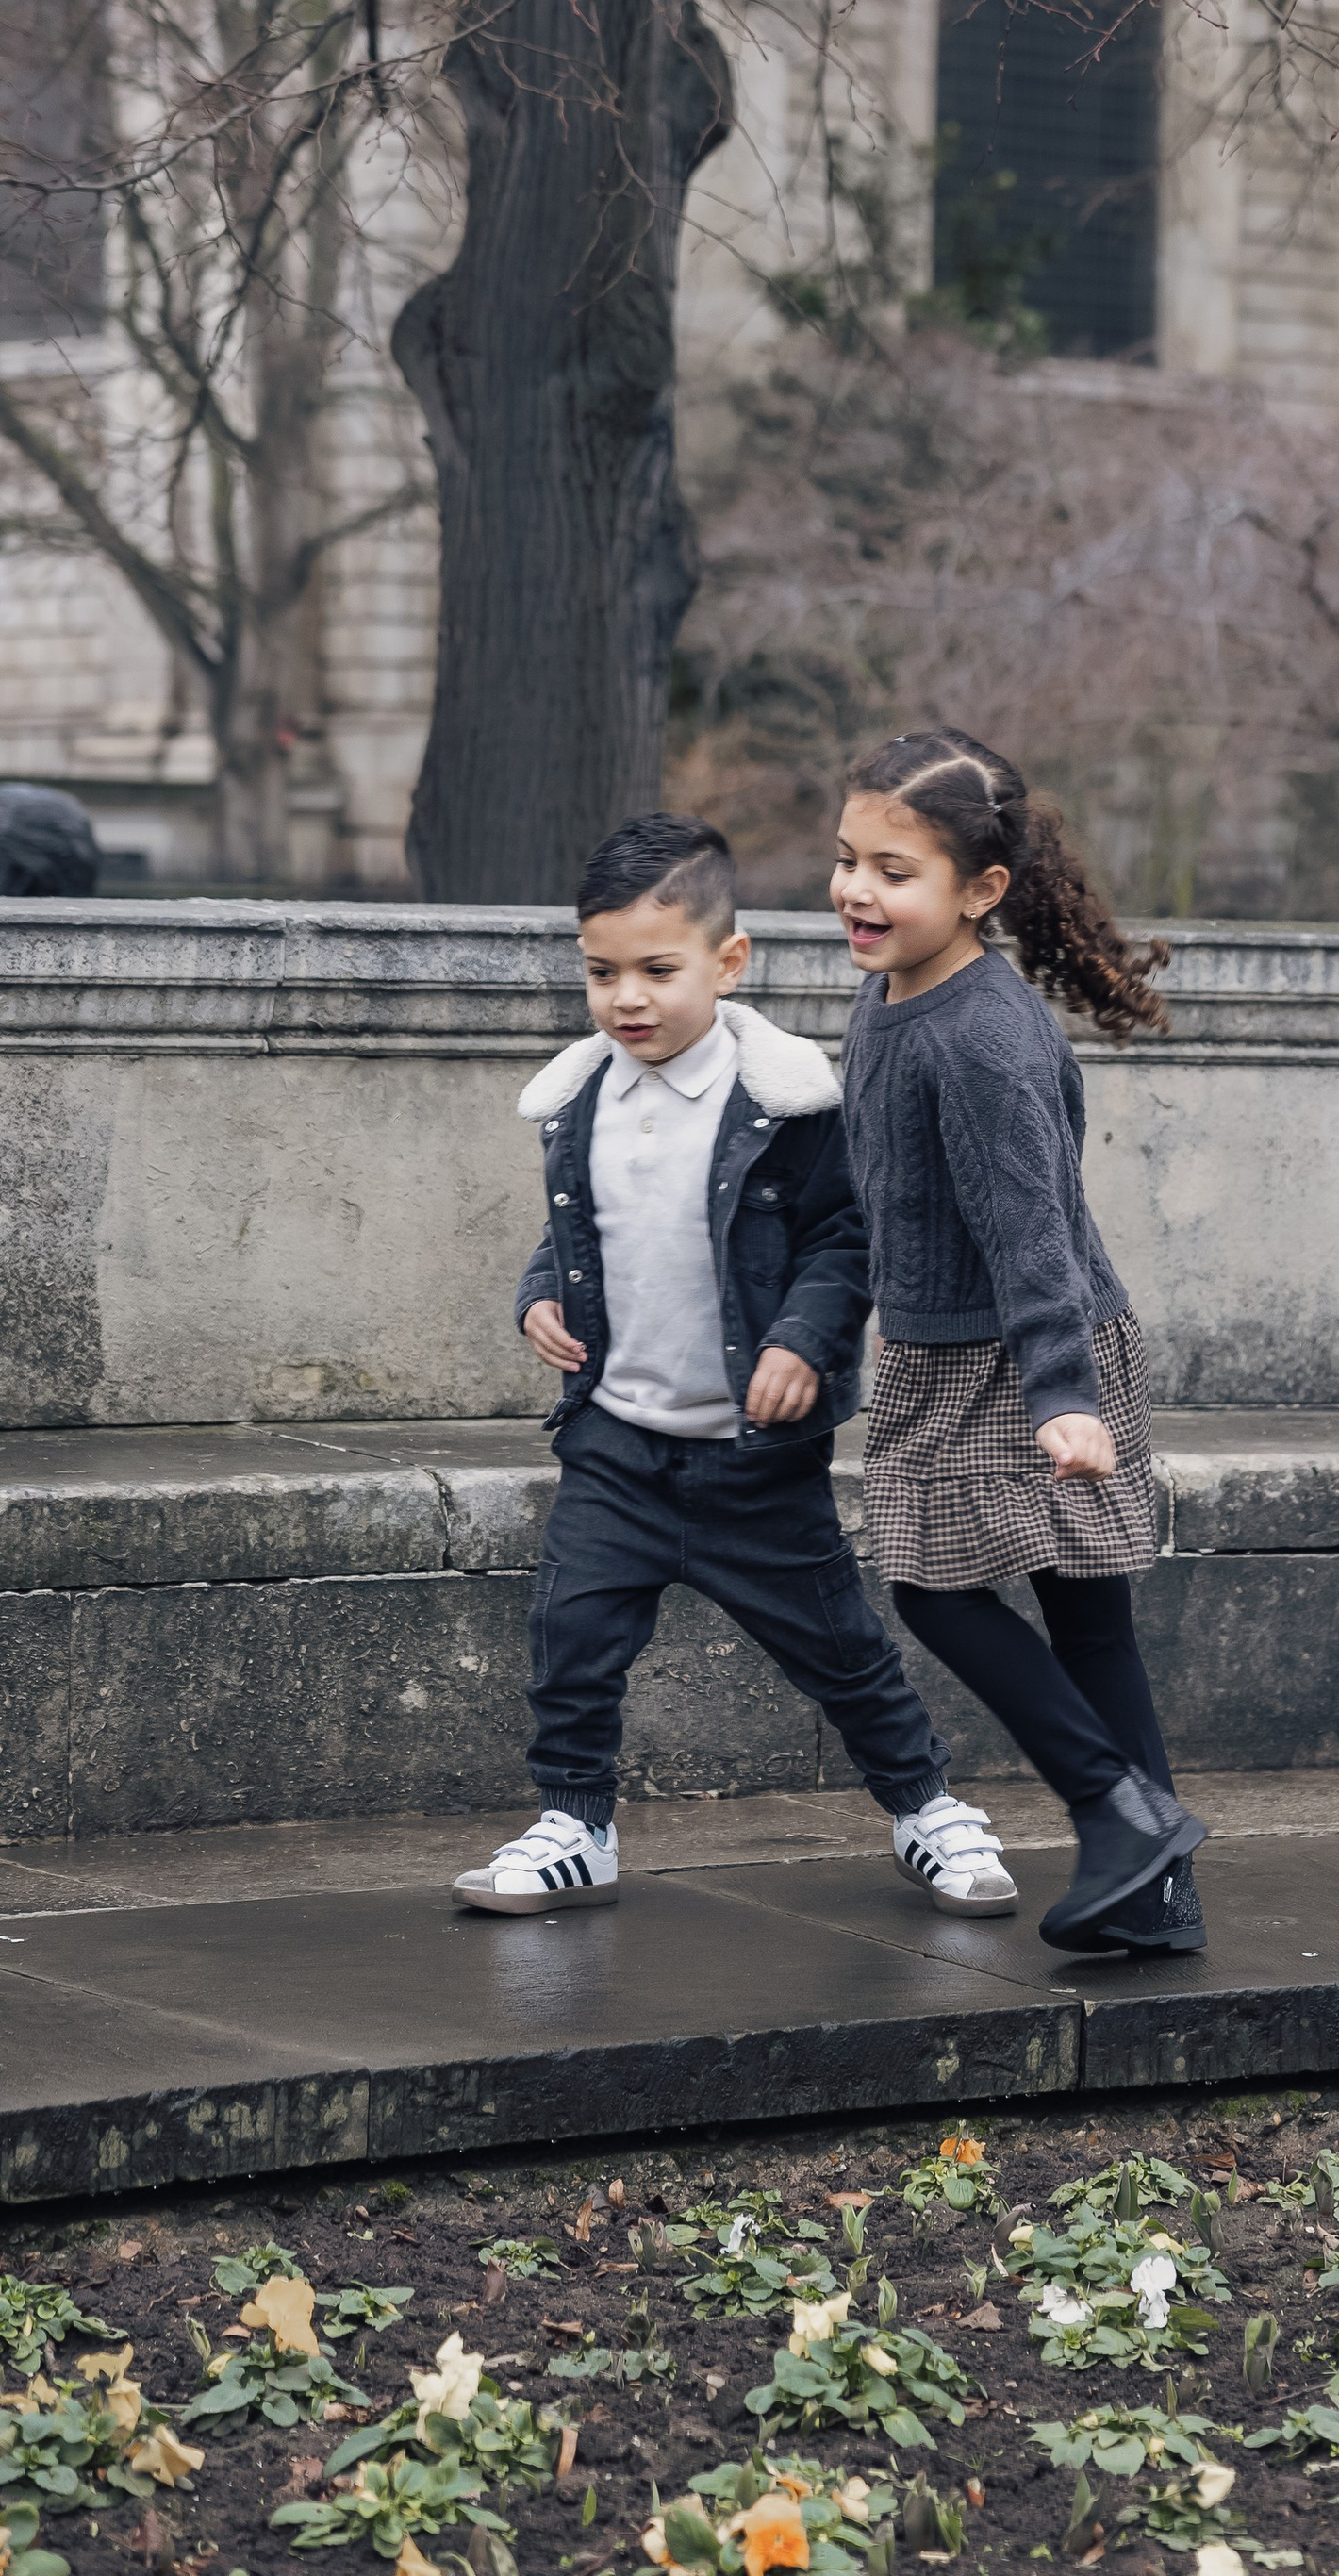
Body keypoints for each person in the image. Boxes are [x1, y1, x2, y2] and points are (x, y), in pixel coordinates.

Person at [454, 812, 1015, 1920]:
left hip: (750, 1461)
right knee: (571, 1642)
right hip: (616, 1445)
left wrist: (802, 1339)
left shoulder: (785, 1104)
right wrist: (540, 1295)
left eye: (657, 971)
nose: (627, 1000)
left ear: (729, 961)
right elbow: (580, 1232)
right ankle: (576, 1826)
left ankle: (925, 1807)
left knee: (841, 1650)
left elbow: (845, 1237)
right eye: (601, 973)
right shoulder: (578, 1099)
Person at [834, 728, 1207, 1955]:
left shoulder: (985, 1036)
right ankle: (1156, 1890)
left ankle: (1115, 1811)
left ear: (980, 889)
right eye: (848, 860)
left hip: (1027, 1356)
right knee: (1085, 1624)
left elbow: (1033, 1229)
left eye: (894, 871)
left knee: (932, 1585)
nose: (856, 890)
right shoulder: (889, 998)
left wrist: (1062, 1394)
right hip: (957, 1348)